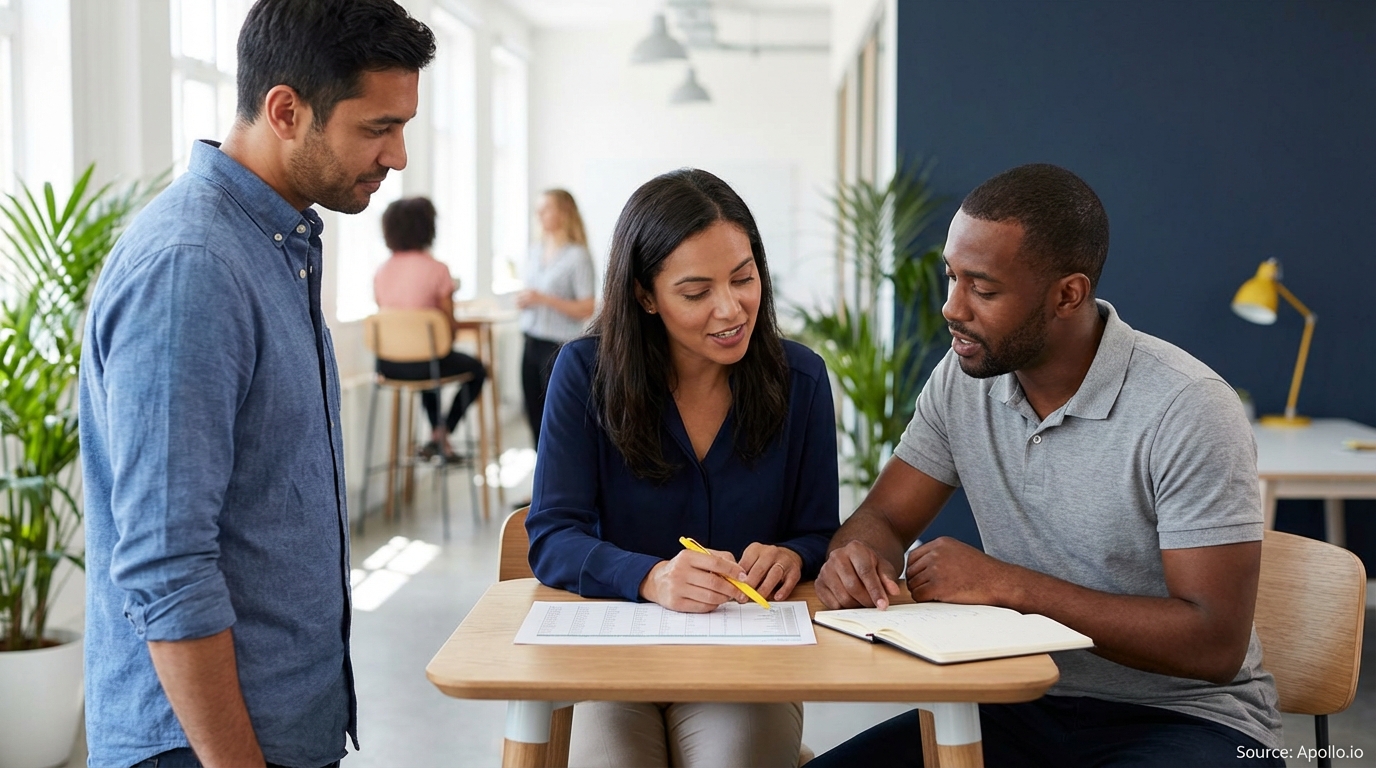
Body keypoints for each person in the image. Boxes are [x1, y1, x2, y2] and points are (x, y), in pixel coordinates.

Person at [808, 164, 1284, 768]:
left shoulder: (1186, 407)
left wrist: (1011, 587)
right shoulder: (962, 379)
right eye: (951, 277)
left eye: (983, 289)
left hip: (1188, 719)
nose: (952, 308)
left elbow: (1214, 643)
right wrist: (857, 557)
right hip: (1015, 699)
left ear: (1067, 294)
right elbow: (882, 516)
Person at [79, 2, 434, 767]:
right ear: (286, 110)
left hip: (274, 728)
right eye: (378, 127)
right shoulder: (194, 267)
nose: (398, 156)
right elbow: (167, 563)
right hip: (207, 747)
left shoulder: (275, 243)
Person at [525, 169, 840, 768]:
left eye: (744, 279)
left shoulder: (802, 381)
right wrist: (651, 578)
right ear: (645, 295)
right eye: (696, 293)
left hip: (743, 659)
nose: (731, 308)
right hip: (617, 656)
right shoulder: (584, 375)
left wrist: (796, 553)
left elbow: (820, 529)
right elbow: (551, 536)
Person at [373, 196, 486, 461]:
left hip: (386, 365)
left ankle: (438, 437)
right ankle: (442, 432)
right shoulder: (438, 270)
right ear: (428, 227)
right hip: (428, 363)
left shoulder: (381, 271)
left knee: (427, 368)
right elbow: (449, 329)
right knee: (477, 370)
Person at [516, 189, 595, 447]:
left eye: (546, 208)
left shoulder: (577, 256)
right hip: (530, 341)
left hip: (558, 348)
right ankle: (542, 478)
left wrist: (545, 299)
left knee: (558, 420)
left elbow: (587, 307)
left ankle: (559, 480)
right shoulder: (534, 251)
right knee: (533, 417)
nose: (539, 214)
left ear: (564, 213)